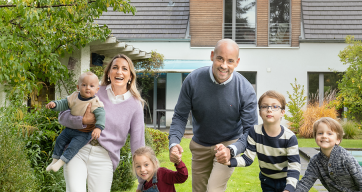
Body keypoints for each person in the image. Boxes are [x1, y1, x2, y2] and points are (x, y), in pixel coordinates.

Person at [168, 39, 258, 192]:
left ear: (237, 62)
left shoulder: (245, 90)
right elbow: (180, 116)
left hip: (228, 144)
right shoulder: (193, 80)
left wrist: (232, 150)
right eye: (220, 59)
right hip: (200, 145)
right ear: (212, 56)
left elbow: (250, 131)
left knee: (214, 189)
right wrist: (174, 142)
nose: (224, 65)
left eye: (230, 61)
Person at [57, 54, 146, 192]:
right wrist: (83, 121)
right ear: (109, 73)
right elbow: (62, 116)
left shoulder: (135, 105)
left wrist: (143, 181)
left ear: (130, 76)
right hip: (77, 150)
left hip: (105, 157)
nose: (119, 72)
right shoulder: (94, 90)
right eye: (115, 67)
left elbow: (138, 144)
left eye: (124, 69)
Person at [214, 90, 300, 192]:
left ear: (282, 112)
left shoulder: (289, 137)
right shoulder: (254, 132)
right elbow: (247, 159)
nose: (269, 109)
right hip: (266, 180)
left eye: (275, 106)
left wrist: (289, 189)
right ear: (260, 112)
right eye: (264, 106)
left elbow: (294, 167)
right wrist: (228, 161)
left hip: (286, 181)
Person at [45, 71, 106, 172]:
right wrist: (54, 104)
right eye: (84, 85)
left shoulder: (95, 102)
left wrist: (98, 128)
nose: (87, 88)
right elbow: (63, 104)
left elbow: (101, 115)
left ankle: (60, 163)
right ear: (78, 87)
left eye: (91, 86)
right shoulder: (74, 96)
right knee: (60, 140)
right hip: (70, 129)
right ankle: (54, 160)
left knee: (73, 146)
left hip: (84, 133)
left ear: (97, 89)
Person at [295, 117, 362, 192]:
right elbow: (305, 183)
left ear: (338, 140)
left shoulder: (345, 158)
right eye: (320, 133)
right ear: (315, 137)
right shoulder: (315, 161)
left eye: (329, 133)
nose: (324, 136)